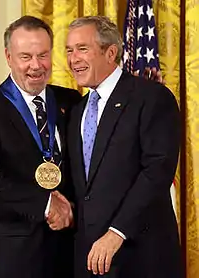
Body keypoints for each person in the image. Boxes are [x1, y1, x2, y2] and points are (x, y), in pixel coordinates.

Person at [0, 15, 81, 278]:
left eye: (43, 55)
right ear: (8, 57)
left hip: (69, 251)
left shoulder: (71, 101)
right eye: (25, 56)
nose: (36, 66)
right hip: (12, 256)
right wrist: (45, 204)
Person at [66, 16, 183, 278]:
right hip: (90, 260)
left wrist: (116, 232)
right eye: (69, 50)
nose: (73, 59)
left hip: (141, 257)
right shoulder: (77, 111)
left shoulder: (151, 97)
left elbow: (156, 173)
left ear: (110, 53)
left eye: (82, 49)